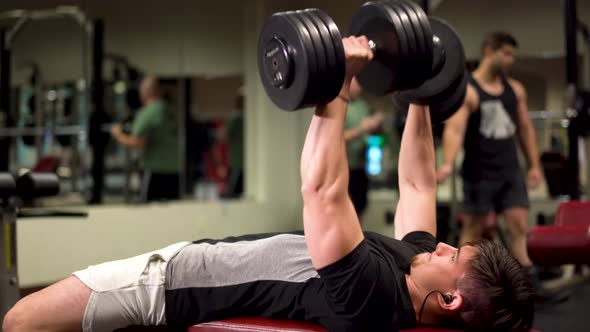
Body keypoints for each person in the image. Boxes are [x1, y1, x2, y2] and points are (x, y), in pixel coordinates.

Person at [3, 36, 534, 332]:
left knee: (21, 320)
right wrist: (420, 92)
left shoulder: (371, 295)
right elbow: (418, 185)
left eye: (452, 255)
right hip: (187, 268)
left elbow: (322, 192)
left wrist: (341, 88)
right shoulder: (412, 265)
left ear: (447, 301)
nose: (441, 243)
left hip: (170, 287)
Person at [436, 32, 565, 302]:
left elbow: (525, 129)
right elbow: (454, 130)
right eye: (506, 53)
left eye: (512, 54)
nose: (510, 60)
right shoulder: (469, 90)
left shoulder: (514, 89)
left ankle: (529, 288)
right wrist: (447, 162)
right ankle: (460, 285)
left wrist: (534, 166)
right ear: (489, 51)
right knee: (473, 230)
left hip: (509, 170)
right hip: (479, 171)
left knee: (519, 225)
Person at [110, 77, 180, 202]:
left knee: (151, 214)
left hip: (155, 171)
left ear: (144, 92)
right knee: (172, 213)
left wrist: (118, 134)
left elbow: (137, 142)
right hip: (175, 170)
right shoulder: (171, 110)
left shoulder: (148, 113)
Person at [343, 77, 384, 218]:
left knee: (360, 207)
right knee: (346, 211)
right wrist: (362, 128)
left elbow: (372, 135)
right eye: (355, 82)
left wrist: (375, 125)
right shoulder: (339, 106)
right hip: (344, 168)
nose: (359, 87)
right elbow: (336, 138)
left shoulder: (363, 106)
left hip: (360, 167)